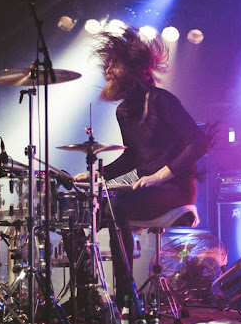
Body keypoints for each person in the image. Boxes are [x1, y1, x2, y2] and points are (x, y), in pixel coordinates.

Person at [73, 26, 214, 309]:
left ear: (135, 68)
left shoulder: (162, 100)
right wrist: (97, 175)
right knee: (82, 212)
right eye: (107, 64)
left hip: (176, 188)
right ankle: (84, 296)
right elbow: (131, 157)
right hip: (147, 189)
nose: (108, 70)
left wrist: (160, 176)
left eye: (115, 63)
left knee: (115, 207)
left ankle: (126, 297)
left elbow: (199, 143)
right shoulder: (123, 111)